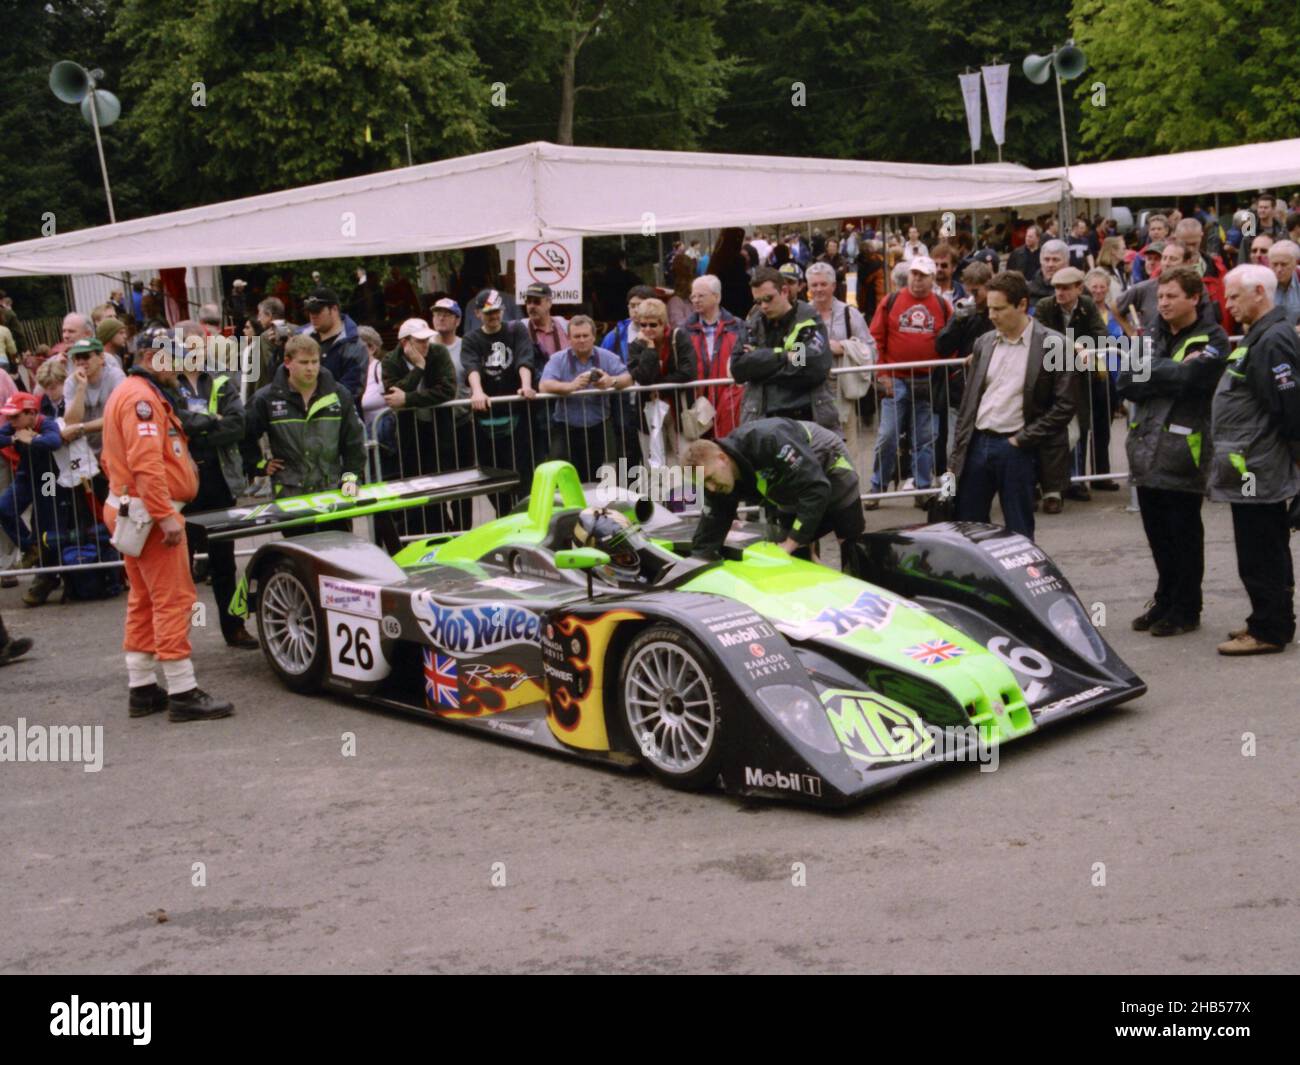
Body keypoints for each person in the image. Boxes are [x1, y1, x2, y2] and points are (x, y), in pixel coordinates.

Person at [100, 335, 233, 722]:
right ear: (148, 357)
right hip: (149, 515)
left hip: (133, 511)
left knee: (143, 599)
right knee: (174, 599)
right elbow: (146, 465)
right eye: (172, 359)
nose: (178, 366)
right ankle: (182, 690)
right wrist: (165, 516)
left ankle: (142, 687)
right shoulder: (142, 399)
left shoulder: (134, 392)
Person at [1117, 266, 1229, 637]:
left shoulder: (1213, 337)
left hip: (1184, 451)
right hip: (1146, 448)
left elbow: (1191, 379)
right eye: (1160, 297)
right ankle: (1164, 599)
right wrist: (1166, 371)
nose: (1162, 303)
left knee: (1183, 534)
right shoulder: (1150, 333)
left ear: (1193, 298)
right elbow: (1126, 381)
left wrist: (1154, 373)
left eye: (1171, 296)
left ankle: (1186, 607)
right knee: (1158, 534)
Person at [1210, 264, 1300, 655]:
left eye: (1234, 296)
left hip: (1259, 465)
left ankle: (1269, 628)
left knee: (1260, 549)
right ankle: (1268, 620)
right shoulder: (1263, 334)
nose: (1228, 304)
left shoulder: (1273, 339)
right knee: (1262, 545)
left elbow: (1290, 408)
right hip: (1252, 462)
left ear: (1259, 293)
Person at [950, 271, 1075, 540]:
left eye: (999, 309)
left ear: (1021, 305)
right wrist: (957, 452)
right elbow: (970, 402)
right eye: (990, 308)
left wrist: (1022, 440)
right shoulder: (984, 342)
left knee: (1019, 531)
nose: (991, 315)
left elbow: (1065, 405)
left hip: (1017, 448)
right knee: (970, 528)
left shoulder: (1055, 345)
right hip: (977, 444)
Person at [163, 324, 258, 650]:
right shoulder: (169, 384)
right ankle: (177, 636)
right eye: (186, 346)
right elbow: (176, 425)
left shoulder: (220, 380)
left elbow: (237, 424)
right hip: (182, 482)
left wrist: (200, 430)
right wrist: (209, 422)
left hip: (218, 479)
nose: (194, 351)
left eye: (198, 345)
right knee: (179, 565)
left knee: (224, 562)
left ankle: (234, 628)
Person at [684, 419, 865, 568]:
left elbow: (815, 488)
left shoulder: (767, 440)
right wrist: (696, 565)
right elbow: (711, 526)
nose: (712, 488)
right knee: (794, 558)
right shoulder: (718, 478)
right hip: (787, 487)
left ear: (722, 458)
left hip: (829, 466)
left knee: (850, 545)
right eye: (704, 484)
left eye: (711, 479)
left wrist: (791, 542)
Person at [243, 334, 366, 534]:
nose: (310, 368)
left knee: (339, 553)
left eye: (315, 362)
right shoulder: (266, 398)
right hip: (291, 492)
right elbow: (244, 436)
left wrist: (351, 480)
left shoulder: (338, 394)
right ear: (288, 362)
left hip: (333, 489)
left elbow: (353, 444)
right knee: (300, 556)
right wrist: (259, 465)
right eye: (304, 362)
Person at [865, 256, 950, 508]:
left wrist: (942, 377)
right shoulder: (890, 301)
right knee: (888, 435)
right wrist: (882, 374)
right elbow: (876, 338)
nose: (917, 279)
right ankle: (877, 486)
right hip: (897, 380)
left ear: (932, 278)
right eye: (914, 273)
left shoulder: (943, 305)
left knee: (925, 438)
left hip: (927, 380)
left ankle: (922, 488)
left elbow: (950, 341)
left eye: (923, 275)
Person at [1035, 266, 1114, 501]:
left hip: (1082, 377)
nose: (1060, 293)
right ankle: (1052, 483)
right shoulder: (1045, 306)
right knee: (1055, 430)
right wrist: (1072, 346)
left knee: (1082, 428)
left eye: (1066, 288)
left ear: (1079, 288)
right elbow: (1039, 335)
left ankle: (1076, 480)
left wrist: (1083, 346)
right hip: (1052, 377)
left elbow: (1102, 336)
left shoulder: (1087, 305)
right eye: (1057, 288)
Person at [460, 289, 537, 515]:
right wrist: (477, 392)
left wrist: (526, 385)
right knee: (492, 474)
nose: (493, 317)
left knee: (522, 472)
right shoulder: (472, 339)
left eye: (496, 312)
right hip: (486, 417)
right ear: (477, 313)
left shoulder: (516, 330)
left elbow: (524, 358)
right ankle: (503, 515)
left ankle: (524, 515)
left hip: (517, 414)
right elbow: (471, 366)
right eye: (488, 313)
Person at [733, 267, 835, 432]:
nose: (764, 306)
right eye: (758, 301)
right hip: (761, 416)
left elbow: (808, 370)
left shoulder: (805, 320)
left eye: (768, 298)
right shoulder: (753, 323)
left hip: (805, 418)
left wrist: (758, 365)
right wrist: (784, 355)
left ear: (785, 291)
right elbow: (738, 369)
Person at [539, 315, 632, 483]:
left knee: (594, 476)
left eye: (585, 336)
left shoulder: (607, 357)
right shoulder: (558, 359)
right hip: (565, 426)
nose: (581, 340)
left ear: (593, 336)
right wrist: (571, 386)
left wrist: (611, 381)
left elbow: (628, 378)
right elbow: (544, 385)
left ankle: (592, 508)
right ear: (569, 338)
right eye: (576, 336)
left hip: (597, 426)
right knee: (562, 474)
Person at [807, 261, 874, 466]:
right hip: (811, 392)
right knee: (815, 449)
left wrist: (844, 348)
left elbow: (870, 349)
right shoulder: (800, 315)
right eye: (814, 285)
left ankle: (848, 493)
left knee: (846, 449)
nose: (819, 289)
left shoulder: (849, 313)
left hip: (843, 392)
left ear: (834, 286)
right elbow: (795, 356)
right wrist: (806, 355)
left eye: (823, 284)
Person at [0, 393, 64, 604]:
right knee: (4, 508)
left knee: (45, 526)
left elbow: (54, 441)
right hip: (26, 476)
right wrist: (14, 438)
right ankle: (30, 547)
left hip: (47, 479)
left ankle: (47, 576)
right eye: (9, 417)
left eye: (15, 417)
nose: (11, 421)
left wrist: (34, 439)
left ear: (31, 413)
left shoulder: (47, 424)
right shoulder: (14, 428)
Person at [681, 275, 746, 442]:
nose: (695, 300)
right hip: (697, 403)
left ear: (717, 297)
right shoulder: (683, 330)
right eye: (693, 296)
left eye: (700, 296)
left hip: (730, 402)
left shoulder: (739, 326)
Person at [301, 287, 367, 400]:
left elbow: (351, 391)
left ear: (334, 309)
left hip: (338, 414)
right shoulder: (301, 338)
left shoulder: (353, 345)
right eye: (310, 311)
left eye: (317, 311)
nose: (313, 316)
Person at [1267, 240, 1300, 326]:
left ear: (1295, 264)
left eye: (1284, 264)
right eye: (1275, 264)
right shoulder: (1262, 285)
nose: (1279, 270)